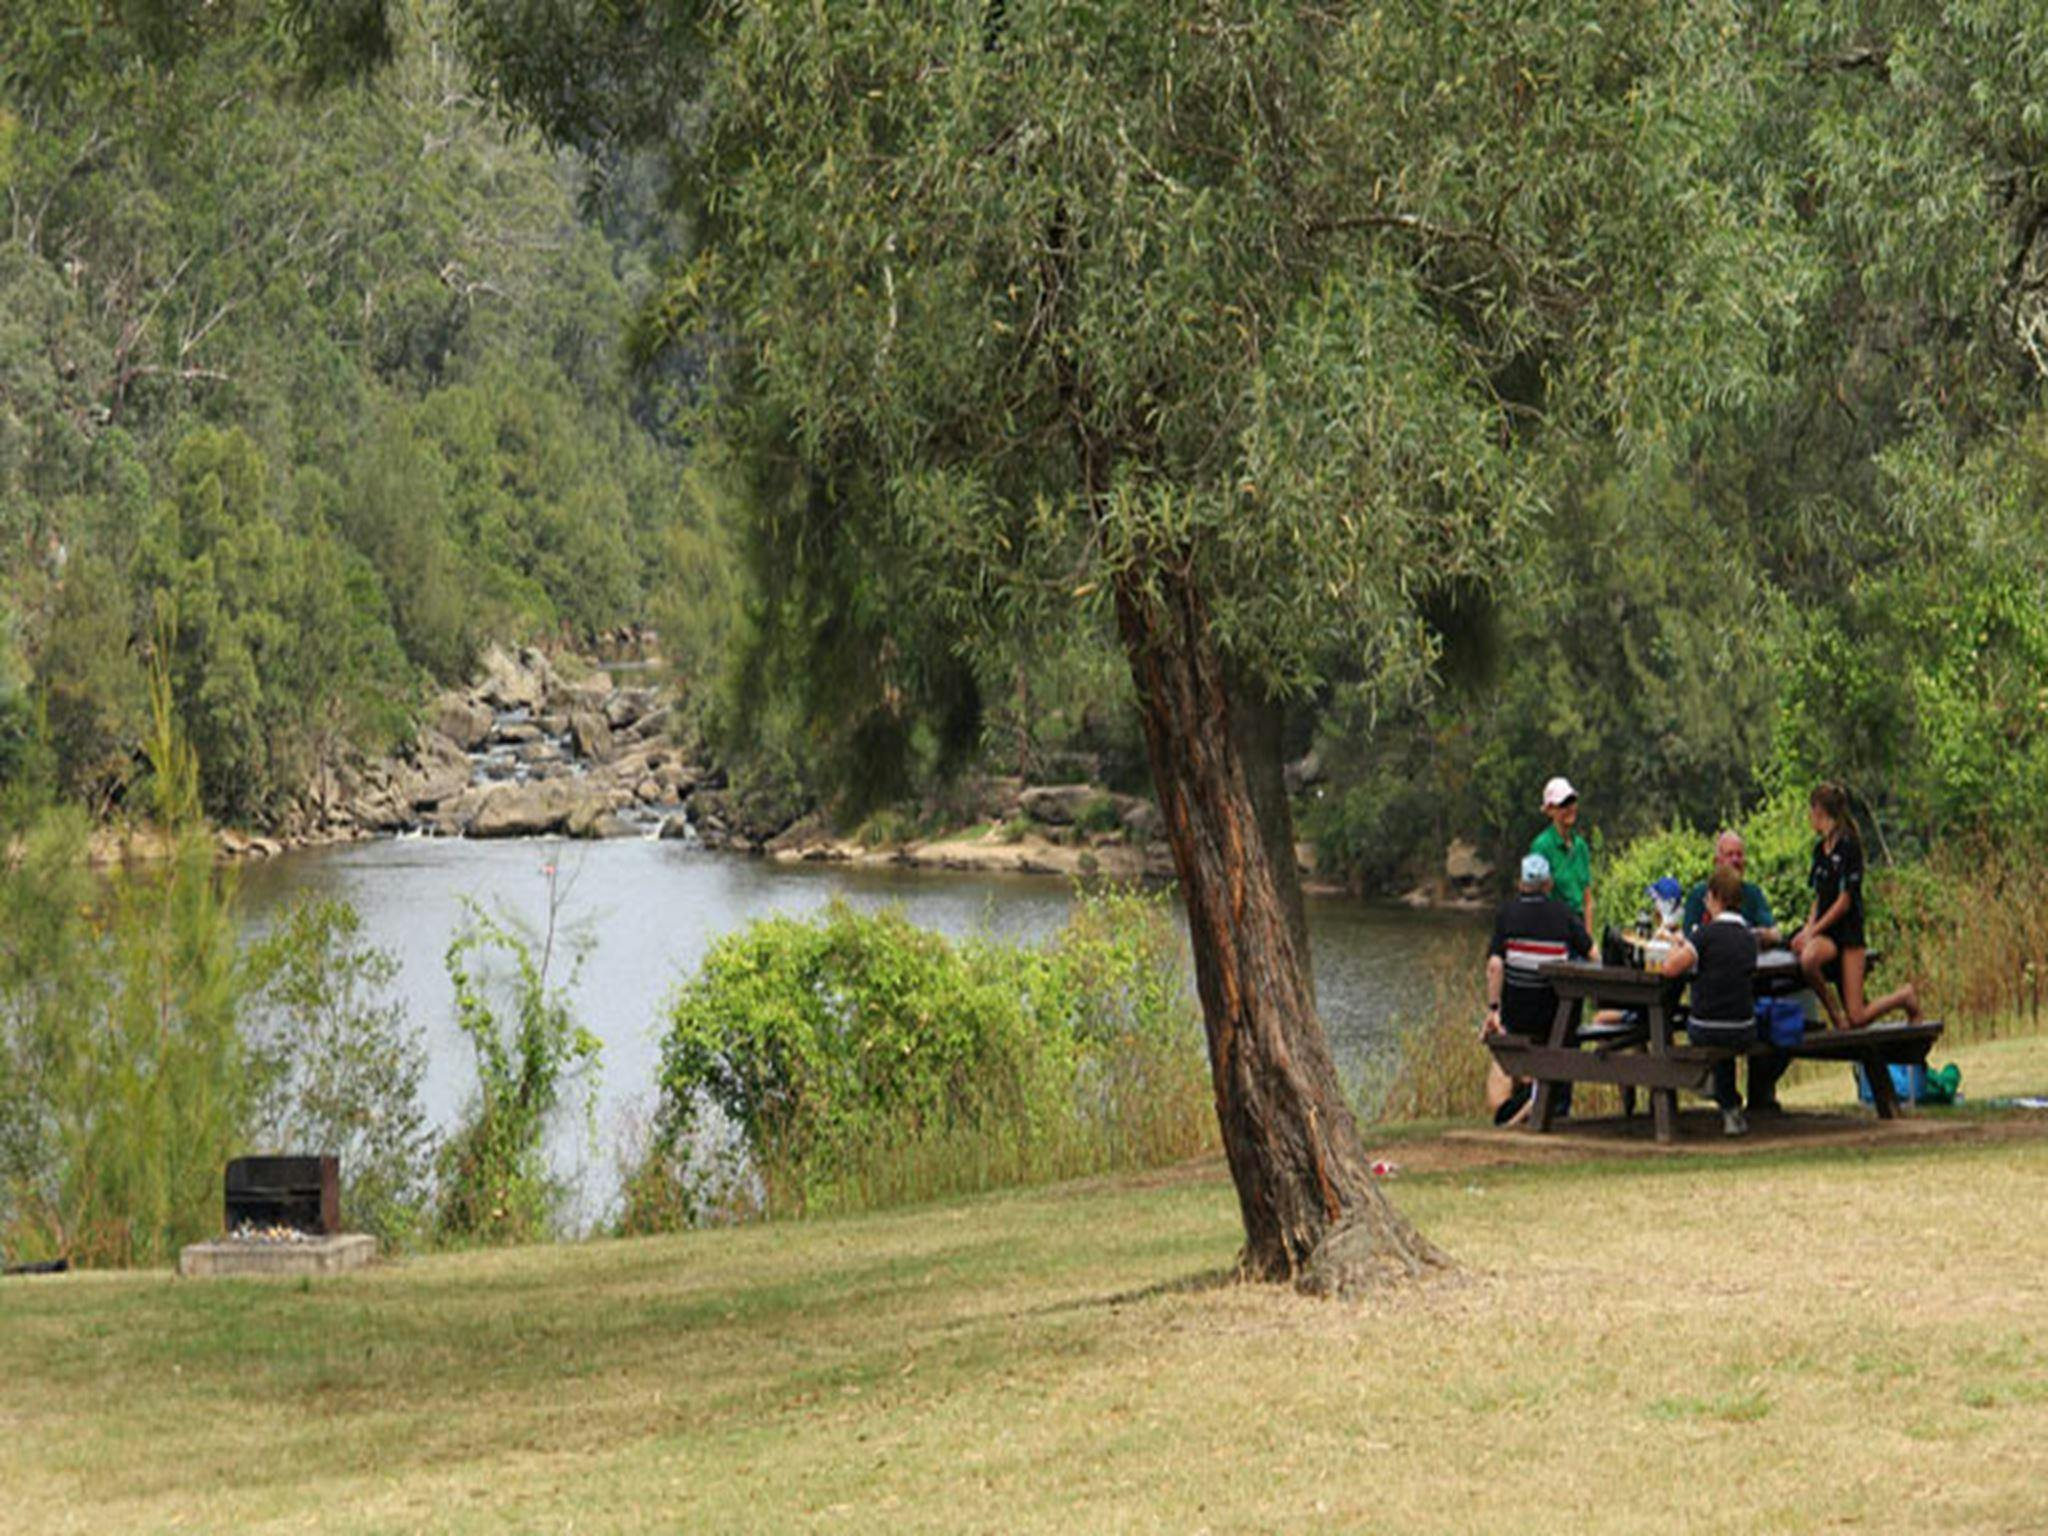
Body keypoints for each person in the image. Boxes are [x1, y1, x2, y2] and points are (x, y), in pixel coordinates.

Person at [1792, 783, 1922, 1030]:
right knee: (1808, 960)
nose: (1810, 818)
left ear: (1819, 811)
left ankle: (1904, 996)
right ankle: (1834, 1014)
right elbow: (1818, 898)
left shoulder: (1849, 846)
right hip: (1826, 933)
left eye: (1811, 812)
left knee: (1859, 1018)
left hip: (1848, 932)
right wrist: (1807, 929)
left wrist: (1814, 930)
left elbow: (1844, 901)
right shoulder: (1819, 851)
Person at [1484, 852, 1593, 1124]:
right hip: (1555, 1017)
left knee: (1500, 1055)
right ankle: (1551, 1103)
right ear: (1549, 884)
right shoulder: (1563, 914)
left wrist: (1494, 1009)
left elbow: (1495, 966)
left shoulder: (1506, 914)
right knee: (1566, 1038)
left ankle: (1527, 1102)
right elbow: (1593, 954)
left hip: (1517, 1016)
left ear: (1521, 884)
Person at [1660, 864, 1759, 1136]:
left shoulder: (1704, 935)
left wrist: (1678, 945)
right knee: (1724, 1033)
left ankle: (1710, 1087)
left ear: (1715, 897)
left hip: (1706, 1026)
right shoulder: (1750, 938)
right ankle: (1730, 1109)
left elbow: (1670, 968)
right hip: (1744, 1026)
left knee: (1704, 1027)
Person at [1681, 830, 1783, 945]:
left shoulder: (1753, 893)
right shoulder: (1698, 894)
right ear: (1717, 862)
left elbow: (1776, 934)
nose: (1735, 860)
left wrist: (1754, 934)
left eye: (1739, 855)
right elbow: (1687, 939)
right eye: (1729, 855)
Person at [1530, 775, 1593, 933]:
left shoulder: (1581, 847)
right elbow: (1534, 899)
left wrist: (1588, 938)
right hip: (1553, 927)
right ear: (1550, 810)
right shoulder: (1541, 846)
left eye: (1571, 802)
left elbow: (1587, 899)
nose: (1570, 808)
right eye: (1563, 804)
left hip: (1577, 928)